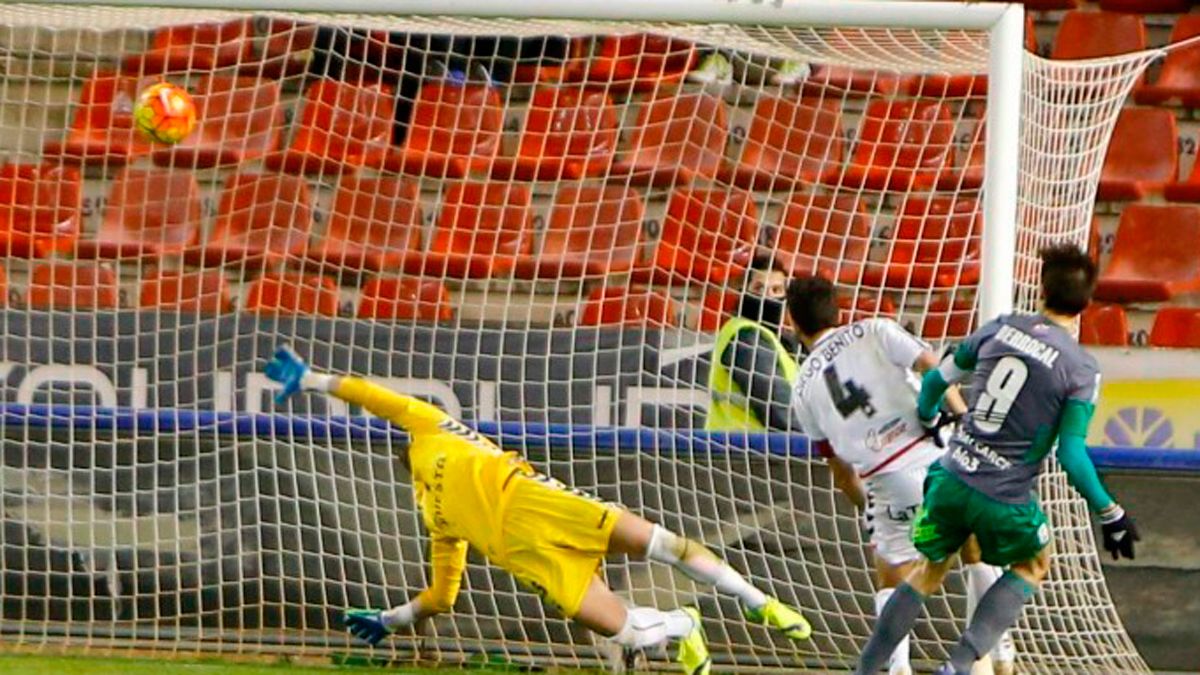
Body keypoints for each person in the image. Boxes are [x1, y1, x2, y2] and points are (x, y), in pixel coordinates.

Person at [263, 347, 812, 675]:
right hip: (531, 558)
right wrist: (390, 619)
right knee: (628, 634)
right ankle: (682, 624)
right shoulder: (434, 519)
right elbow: (443, 595)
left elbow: (371, 396)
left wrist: (312, 379)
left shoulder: (428, 424)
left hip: (541, 503)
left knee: (662, 544)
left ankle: (761, 603)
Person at [854, 244, 1140, 675]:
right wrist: (1110, 512)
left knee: (927, 569)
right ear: (1087, 303)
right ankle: (961, 664)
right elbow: (1071, 453)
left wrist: (929, 415)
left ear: (1041, 289)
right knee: (1033, 562)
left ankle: (865, 669)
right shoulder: (1081, 370)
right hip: (1004, 498)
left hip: (950, 478)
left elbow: (935, 379)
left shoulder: (1001, 327)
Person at [785, 276, 1014, 675]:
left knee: (892, 573)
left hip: (886, 478)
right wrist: (964, 421)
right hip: (935, 453)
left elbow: (838, 468)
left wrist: (866, 508)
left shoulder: (801, 388)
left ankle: (898, 669)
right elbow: (933, 370)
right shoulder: (875, 329)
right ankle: (1000, 653)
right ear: (838, 309)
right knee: (974, 546)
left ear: (793, 323)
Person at [706, 255, 800, 432]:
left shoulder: (781, 342)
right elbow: (779, 412)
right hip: (740, 451)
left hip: (751, 450)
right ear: (743, 290)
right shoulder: (745, 336)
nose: (767, 297)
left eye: (776, 290)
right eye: (759, 288)